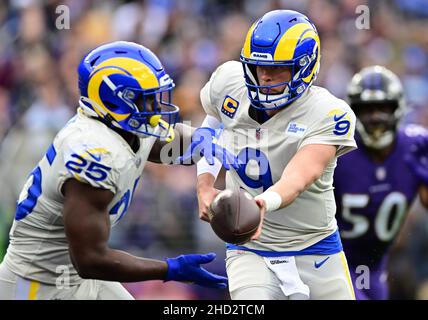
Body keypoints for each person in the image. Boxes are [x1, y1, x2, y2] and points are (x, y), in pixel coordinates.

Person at [0, 41, 228, 300]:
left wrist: (221, 146)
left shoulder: (118, 124)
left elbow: (168, 142)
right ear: (115, 101)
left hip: (75, 276)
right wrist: (170, 268)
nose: (155, 107)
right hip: (38, 286)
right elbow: (90, 260)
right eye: (146, 99)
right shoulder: (94, 153)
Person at [195, 10, 358, 300]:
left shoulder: (329, 112)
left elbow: (299, 175)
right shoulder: (229, 84)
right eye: (258, 67)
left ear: (304, 68)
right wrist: (205, 184)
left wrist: (261, 204)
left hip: (316, 246)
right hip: (251, 249)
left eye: (279, 68)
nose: (266, 76)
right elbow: (212, 127)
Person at [334, 65, 428, 300]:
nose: (376, 117)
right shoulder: (337, 150)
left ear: (398, 108)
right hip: (331, 260)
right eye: (367, 109)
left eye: (383, 107)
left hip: (376, 267)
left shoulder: (416, 146)